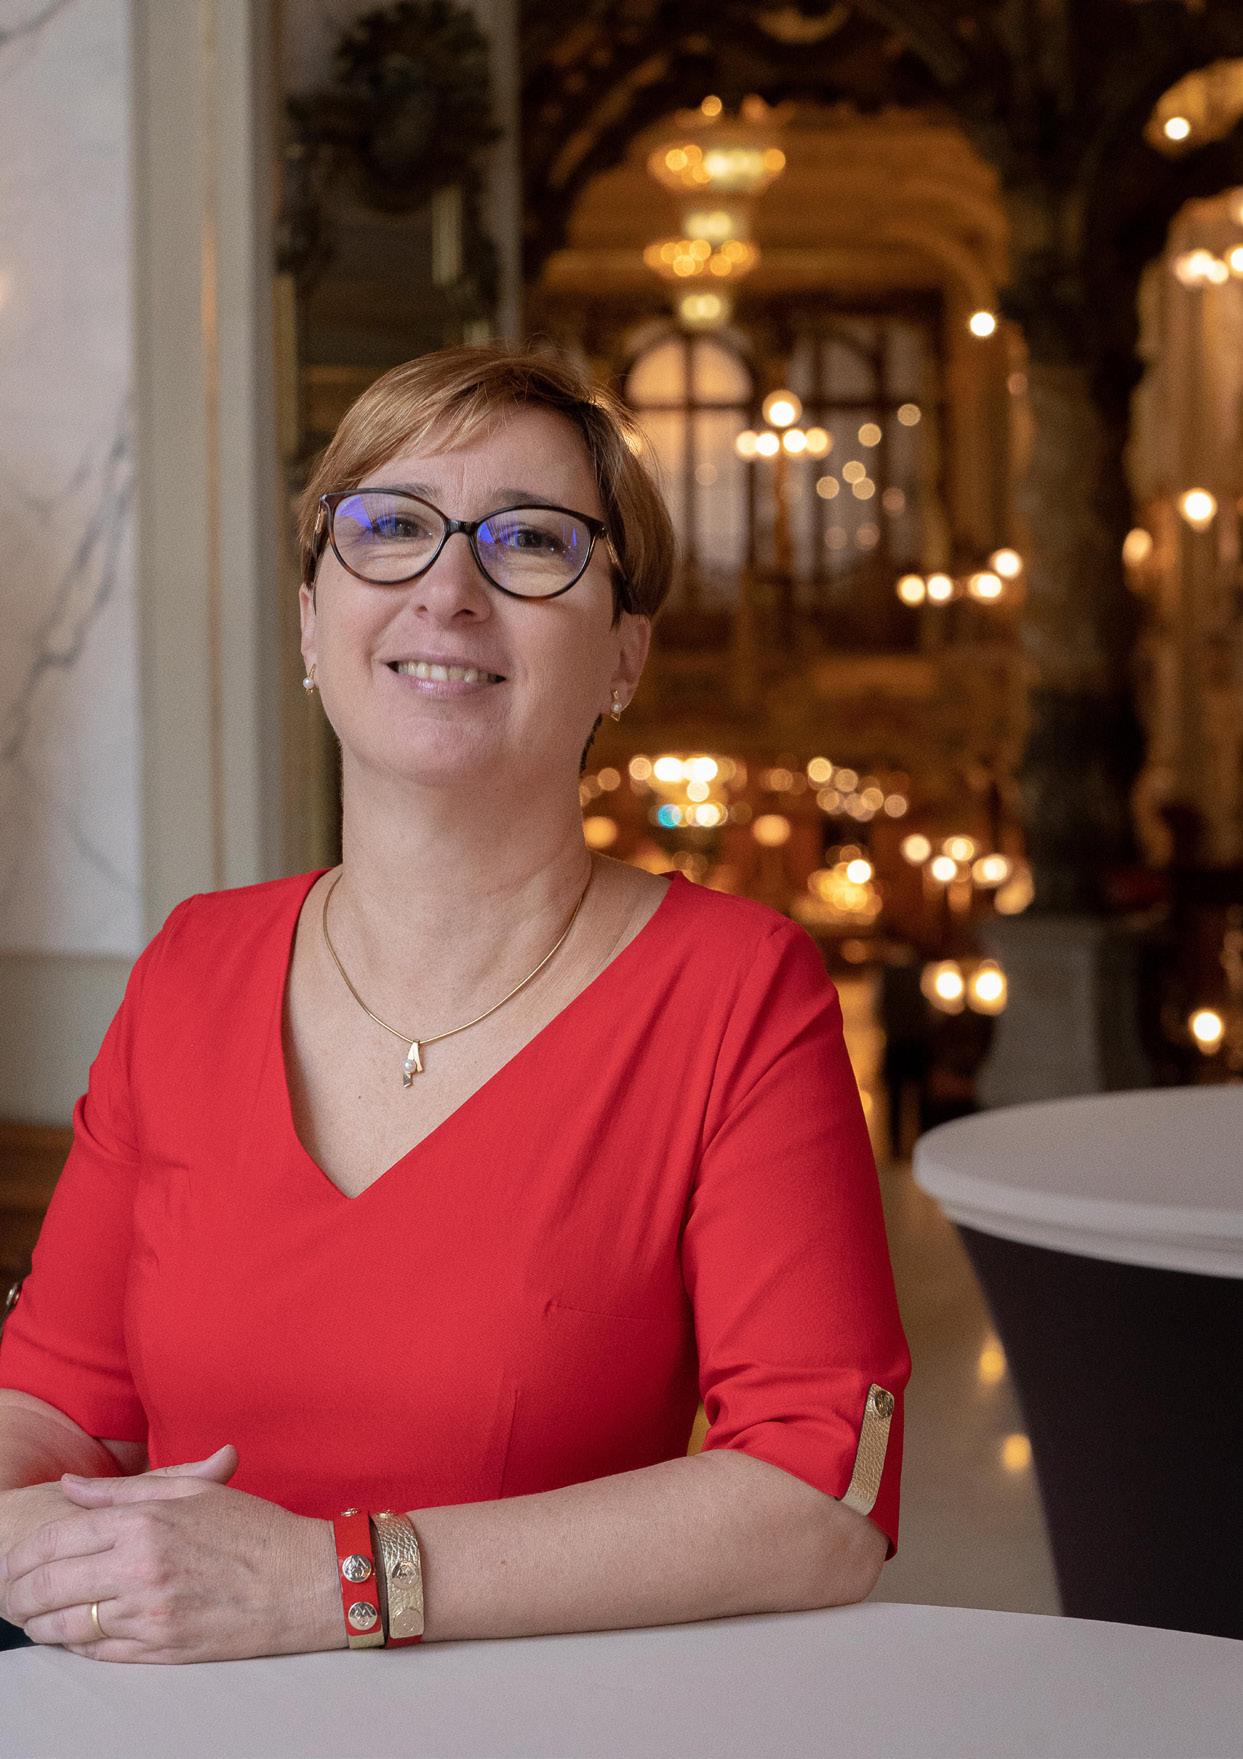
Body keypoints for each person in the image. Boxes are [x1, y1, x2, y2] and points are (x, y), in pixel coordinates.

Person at [0, 344, 911, 1663]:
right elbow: (48, 1406)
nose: (448, 588)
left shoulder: (736, 990)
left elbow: (819, 1498)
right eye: (388, 528)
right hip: (181, 1720)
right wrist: (36, 1542)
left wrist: (329, 1583)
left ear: (623, 654)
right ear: (311, 622)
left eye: (530, 541)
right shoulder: (194, 966)